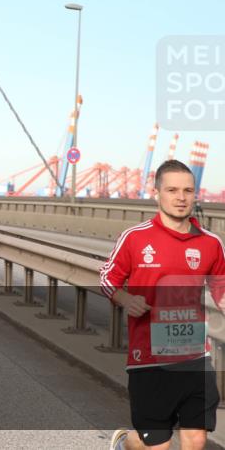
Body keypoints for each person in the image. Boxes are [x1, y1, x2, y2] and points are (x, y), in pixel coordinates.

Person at [105, 160, 225, 450]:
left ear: (195, 194)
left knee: (196, 437)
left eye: (187, 190)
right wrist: (126, 298)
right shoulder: (135, 238)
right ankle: (126, 443)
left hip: (195, 356)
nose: (181, 197)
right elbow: (108, 277)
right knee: (156, 445)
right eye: (172, 189)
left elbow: (221, 287)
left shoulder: (211, 243)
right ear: (157, 192)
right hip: (148, 358)